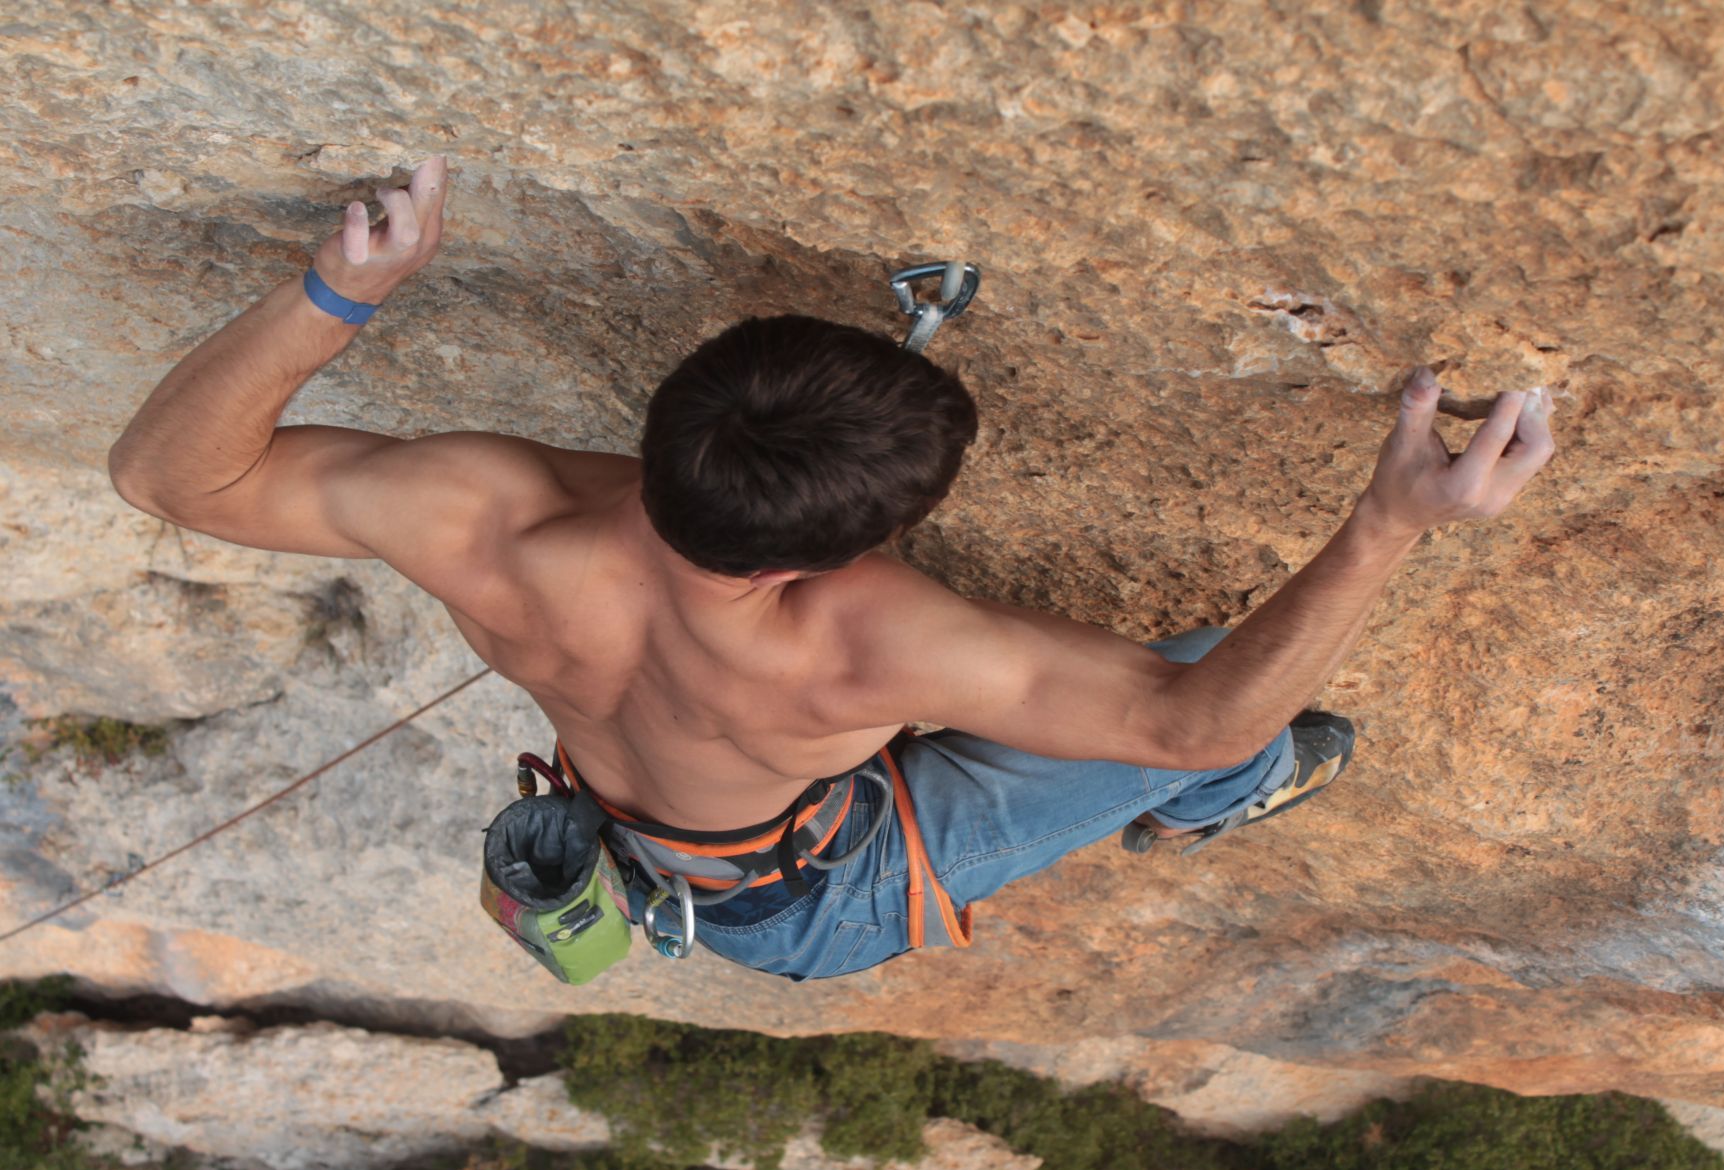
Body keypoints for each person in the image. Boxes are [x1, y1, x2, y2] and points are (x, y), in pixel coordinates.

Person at [108, 156, 1555, 981]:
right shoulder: (869, 636)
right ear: (847, 550)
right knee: (1223, 704)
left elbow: (171, 477)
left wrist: (337, 292)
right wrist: (1388, 527)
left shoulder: (483, 515)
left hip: (690, 839)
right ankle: (1221, 812)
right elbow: (1192, 720)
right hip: (830, 898)